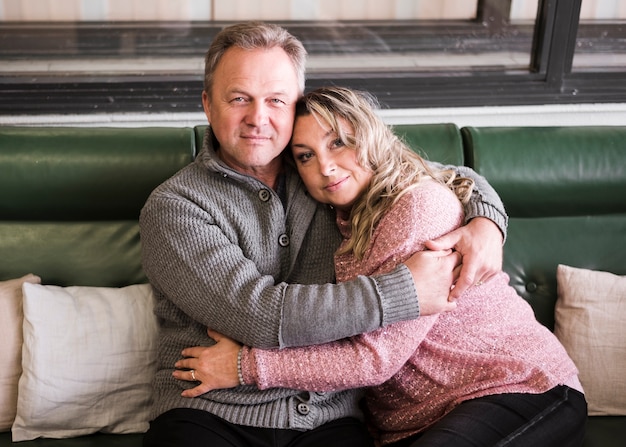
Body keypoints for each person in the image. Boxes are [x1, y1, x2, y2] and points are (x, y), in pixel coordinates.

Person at [139, 22, 508, 447]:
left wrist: (487, 222)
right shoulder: (175, 207)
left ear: (295, 107)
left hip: (326, 416)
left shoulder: (325, 171)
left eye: (276, 100)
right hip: (210, 409)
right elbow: (258, 314)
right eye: (239, 98)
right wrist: (404, 291)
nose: (258, 118)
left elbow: (446, 176)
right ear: (207, 104)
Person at [178, 87, 587, 446]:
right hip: (409, 424)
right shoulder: (336, 217)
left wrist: (245, 366)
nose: (325, 166)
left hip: (513, 387)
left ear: (370, 135)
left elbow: (374, 359)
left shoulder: (416, 207)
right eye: (305, 156)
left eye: (338, 142)